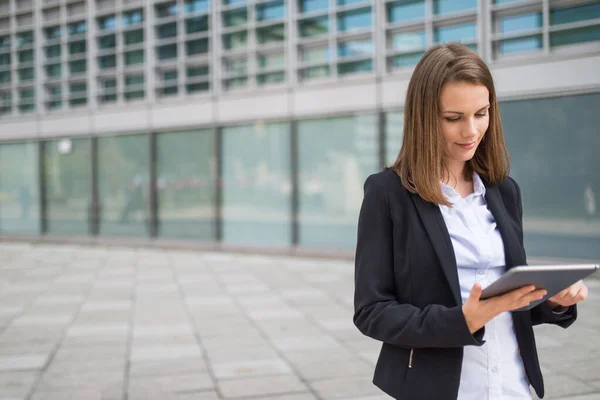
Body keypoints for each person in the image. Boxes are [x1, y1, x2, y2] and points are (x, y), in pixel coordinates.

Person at [353, 43, 588, 400]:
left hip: (512, 383)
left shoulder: (504, 191)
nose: (471, 130)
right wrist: (463, 321)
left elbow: (510, 299)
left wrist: (554, 300)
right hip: (441, 389)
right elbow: (372, 311)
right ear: (424, 117)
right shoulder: (388, 194)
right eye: (454, 118)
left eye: (481, 113)